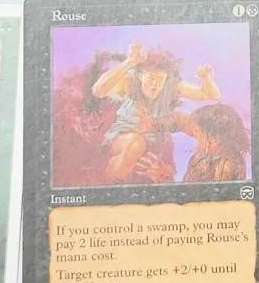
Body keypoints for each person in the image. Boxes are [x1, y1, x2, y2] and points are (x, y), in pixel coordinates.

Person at [90, 41, 219, 183]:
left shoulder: (172, 86)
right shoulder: (130, 81)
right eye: (150, 78)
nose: (155, 84)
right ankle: (110, 183)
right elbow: (98, 90)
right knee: (134, 143)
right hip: (126, 137)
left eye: (160, 79)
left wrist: (206, 78)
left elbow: (210, 95)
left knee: (194, 123)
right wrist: (129, 62)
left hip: (157, 137)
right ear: (140, 75)